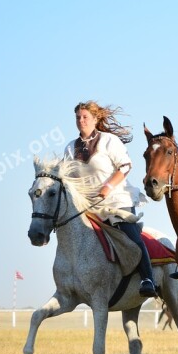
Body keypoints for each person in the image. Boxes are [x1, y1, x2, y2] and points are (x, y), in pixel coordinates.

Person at [65, 101, 157, 298]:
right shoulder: (70, 148)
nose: (81, 121)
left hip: (116, 199)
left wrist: (106, 188)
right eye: (78, 118)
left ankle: (147, 279)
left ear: (96, 119)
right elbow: (66, 178)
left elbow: (124, 166)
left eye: (85, 117)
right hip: (87, 206)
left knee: (131, 237)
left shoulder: (109, 140)